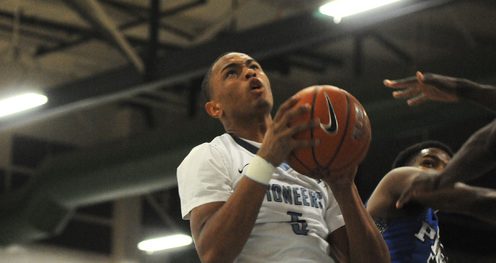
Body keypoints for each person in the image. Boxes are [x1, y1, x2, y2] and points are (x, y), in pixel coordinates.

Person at [176, 51, 390, 263]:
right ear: (215, 108)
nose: (250, 73)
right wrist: (265, 162)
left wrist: (345, 188)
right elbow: (214, 254)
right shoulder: (211, 154)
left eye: (254, 67)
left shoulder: (315, 157)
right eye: (231, 73)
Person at [384, 72, 496, 206]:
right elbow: (487, 142)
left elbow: (488, 142)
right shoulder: (379, 214)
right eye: (429, 164)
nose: (434, 173)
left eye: (446, 168)